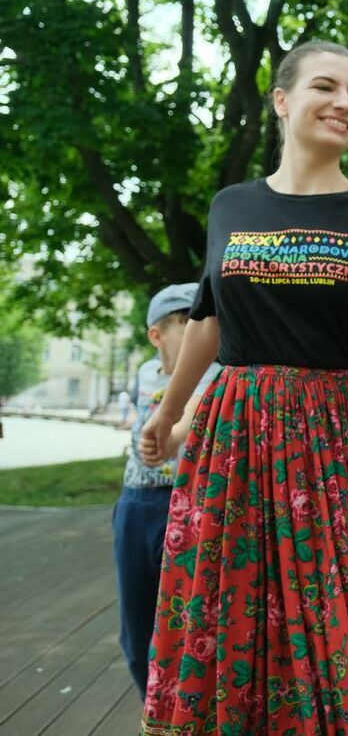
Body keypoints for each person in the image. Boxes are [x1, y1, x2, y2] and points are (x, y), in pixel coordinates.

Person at [138, 41, 348, 734]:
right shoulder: (229, 206)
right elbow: (209, 321)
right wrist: (170, 414)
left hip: (336, 443)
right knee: (224, 607)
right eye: (327, 86)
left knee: (339, 616)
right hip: (232, 443)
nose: (344, 103)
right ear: (281, 100)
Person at [113, 283, 221, 698]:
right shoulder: (145, 372)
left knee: (193, 625)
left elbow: (193, 412)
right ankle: (154, 710)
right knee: (137, 630)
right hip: (138, 506)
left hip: (193, 504)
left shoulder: (215, 371)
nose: (201, 334)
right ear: (157, 335)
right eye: (185, 325)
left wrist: (172, 434)